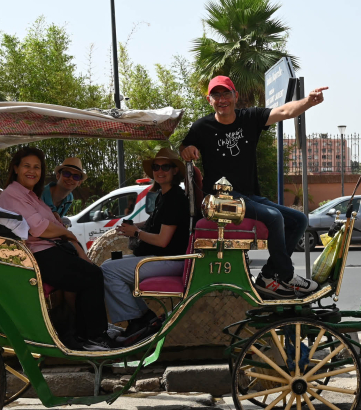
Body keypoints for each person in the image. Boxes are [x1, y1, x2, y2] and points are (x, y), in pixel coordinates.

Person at [180, 75, 327, 298]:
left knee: (299, 219)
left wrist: (308, 101)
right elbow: (184, 146)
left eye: (226, 93)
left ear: (235, 96)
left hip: (247, 195)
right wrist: (187, 148)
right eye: (216, 95)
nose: (222, 100)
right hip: (221, 200)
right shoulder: (201, 127)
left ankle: (268, 276)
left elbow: (285, 111)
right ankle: (286, 277)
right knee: (274, 216)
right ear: (209, 100)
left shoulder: (250, 117)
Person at [0, 146, 108, 349]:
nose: (32, 171)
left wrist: (66, 235)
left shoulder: (30, 195)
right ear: (15, 168)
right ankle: (93, 336)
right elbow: (40, 228)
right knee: (92, 276)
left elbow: (52, 222)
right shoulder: (13, 195)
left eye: (37, 167)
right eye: (27, 166)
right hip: (38, 253)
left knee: (90, 272)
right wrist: (66, 234)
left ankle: (81, 334)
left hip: (51, 248)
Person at [101, 148, 189, 346]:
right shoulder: (164, 196)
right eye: (156, 167)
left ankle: (139, 320)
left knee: (108, 271)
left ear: (175, 171)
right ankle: (143, 318)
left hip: (171, 259)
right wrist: (131, 226)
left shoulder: (175, 198)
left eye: (165, 167)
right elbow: (154, 222)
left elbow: (162, 240)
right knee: (107, 264)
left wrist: (136, 233)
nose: (160, 171)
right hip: (160, 257)